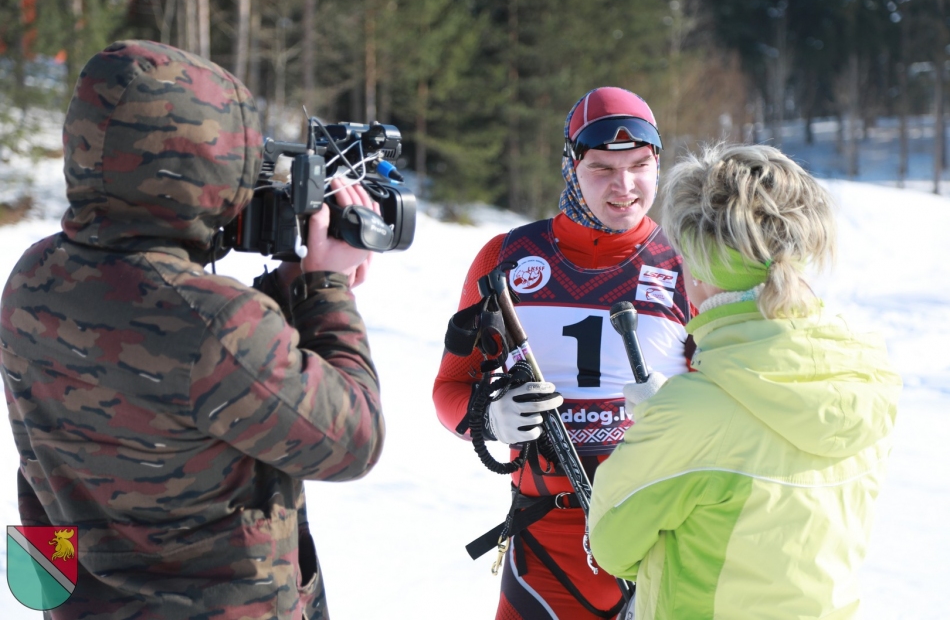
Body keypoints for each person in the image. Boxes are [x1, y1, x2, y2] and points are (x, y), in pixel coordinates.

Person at [0, 40, 383, 619]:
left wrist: (286, 290)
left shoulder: (34, 277)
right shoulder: (217, 324)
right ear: (209, 166)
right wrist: (326, 290)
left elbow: (183, 358)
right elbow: (355, 440)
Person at [588, 143, 902, 619]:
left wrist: (665, 424)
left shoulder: (687, 415)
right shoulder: (867, 372)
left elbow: (612, 546)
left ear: (699, 269)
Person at [433, 87, 692, 619]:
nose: (625, 186)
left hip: (663, 541)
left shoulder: (687, 263)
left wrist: (681, 411)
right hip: (545, 549)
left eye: (640, 166)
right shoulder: (506, 257)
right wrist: (489, 418)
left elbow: (735, 407)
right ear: (572, 166)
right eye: (602, 168)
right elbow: (449, 387)